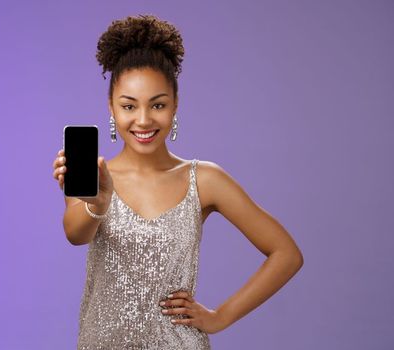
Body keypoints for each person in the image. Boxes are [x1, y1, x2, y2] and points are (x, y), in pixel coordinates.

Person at [51, 14, 304, 349]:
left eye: (158, 104)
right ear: (111, 108)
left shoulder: (205, 179)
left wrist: (221, 316)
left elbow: (286, 254)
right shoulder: (94, 178)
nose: (143, 120)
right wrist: (98, 202)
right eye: (129, 106)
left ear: (175, 106)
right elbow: (75, 234)